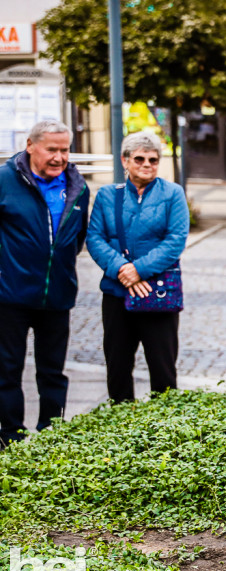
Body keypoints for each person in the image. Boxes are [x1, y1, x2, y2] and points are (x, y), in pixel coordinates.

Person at [0, 120, 90, 447]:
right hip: (10, 296)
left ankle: (51, 435)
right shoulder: (5, 180)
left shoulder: (78, 185)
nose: (59, 157)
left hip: (58, 295)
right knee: (7, 372)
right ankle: (10, 437)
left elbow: (77, 237)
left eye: (64, 149)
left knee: (53, 373)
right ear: (30, 146)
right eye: (51, 149)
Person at [86, 131, 189, 404]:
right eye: (140, 158)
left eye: (153, 160)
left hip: (158, 293)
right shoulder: (108, 195)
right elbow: (95, 237)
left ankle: (163, 430)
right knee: (117, 368)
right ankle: (121, 428)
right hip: (116, 293)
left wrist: (138, 270)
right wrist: (123, 270)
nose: (147, 164)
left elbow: (175, 240)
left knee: (163, 371)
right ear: (125, 161)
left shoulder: (173, 194)